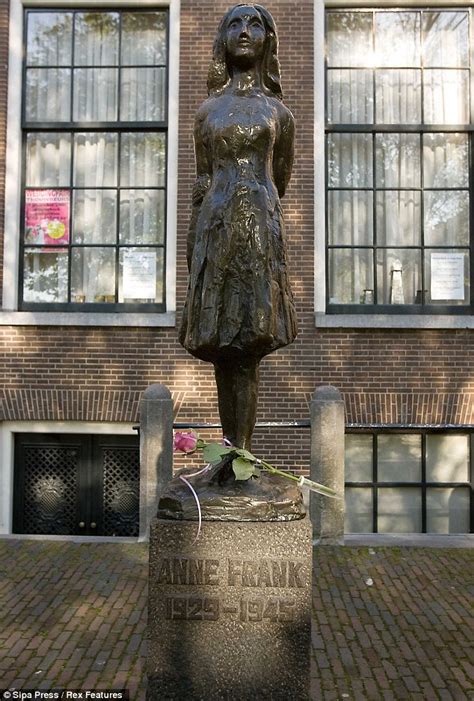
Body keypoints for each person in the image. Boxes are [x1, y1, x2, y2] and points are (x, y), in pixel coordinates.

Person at [179, 4, 297, 450]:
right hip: (214, 230)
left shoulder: (278, 115)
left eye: (254, 24)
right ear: (223, 40)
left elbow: (278, 180)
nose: (244, 31)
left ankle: (241, 455)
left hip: (258, 234)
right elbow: (202, 179)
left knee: (247, 351)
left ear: (268, 40)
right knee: (220, 347)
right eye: (235, 23)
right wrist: (196, 249)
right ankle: (229, 453)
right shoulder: (206, 113)